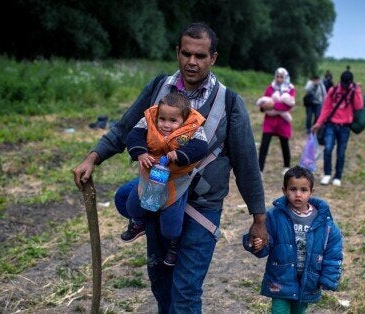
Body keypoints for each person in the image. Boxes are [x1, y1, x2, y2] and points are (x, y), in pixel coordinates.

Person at [72, 22, 269, 312]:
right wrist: (93, 157)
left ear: (212, 58)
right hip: (160, 200)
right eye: (186, 53)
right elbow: (126, 128)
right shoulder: (158, 88)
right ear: (178, 52)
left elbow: (247, 164)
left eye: (200, 56)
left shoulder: (229, 103)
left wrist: (259, 219)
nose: (192, 61)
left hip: (203, 207)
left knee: (186, 292)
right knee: (161, 284)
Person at [122, 92, 208, 267]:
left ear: (184, 119)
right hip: (151, 173)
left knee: (171, 221)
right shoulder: (149, 119)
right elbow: (134, 136)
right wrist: (141, 152)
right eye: (162, 119)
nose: (166, 125)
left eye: (173, 121)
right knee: (132, 204)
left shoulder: (194, 127)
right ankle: (138, 223)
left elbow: (200, 147)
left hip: (176, 179)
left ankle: (173, 244)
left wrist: (179, 154)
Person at [242, 166, 343, 313]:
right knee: (279, 310)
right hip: (281, 279)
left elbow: (333, 251)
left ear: (311, 192)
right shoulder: (275, 216)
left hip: (307, 280)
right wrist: (257, 243)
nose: (298, 194)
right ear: (284, 191)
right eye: (293, 189)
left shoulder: (323, 221)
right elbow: (265, 240)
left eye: (303, 190)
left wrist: (328, 278)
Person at [311, 70, 363, 187]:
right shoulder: (333, 91)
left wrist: (358, 90)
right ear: (340, 81)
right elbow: (326, 109)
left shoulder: (353, 91)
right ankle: (327, 174)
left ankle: (338, 176)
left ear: (350, 83)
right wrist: (318, 123)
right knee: (328, 148)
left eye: (347, 84)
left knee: (341, 152)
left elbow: (359, 106)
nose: (345, 87)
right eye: (343, 84)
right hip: (331, 125)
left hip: (345, 127)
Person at [257, 67, 296, 175]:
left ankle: (287, 166)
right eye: (277, 76)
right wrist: (264, 107)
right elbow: (262, 105)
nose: (279, 79)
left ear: (285, 77)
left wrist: (273, 105)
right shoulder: (270, 88)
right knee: (264, 145)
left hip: (283, 122)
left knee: (284, 143)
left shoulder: (290, 89)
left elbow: (288, 106)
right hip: (269, 121)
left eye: (281, 77)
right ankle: (260, 169)